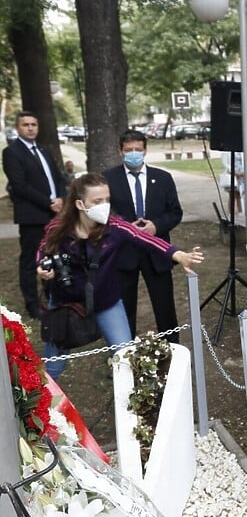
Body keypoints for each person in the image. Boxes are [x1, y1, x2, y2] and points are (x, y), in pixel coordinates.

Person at [37, 173, 202, 380]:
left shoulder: (115, 227)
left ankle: (131, 406)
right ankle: (44, 407)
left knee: (125, 357)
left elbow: (144, 238)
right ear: (80, 204)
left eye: (107, 200)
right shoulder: (58, 227)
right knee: (53, 368)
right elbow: (43, 249)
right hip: (65, 304)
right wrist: (42, 267)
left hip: (107, 302)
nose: (104, 205)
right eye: (97, 201)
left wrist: (178, 255)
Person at [103, 130, 184, 343]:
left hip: (156, 251)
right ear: (120, 151)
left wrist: (156, 226)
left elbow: (175, 212)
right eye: (128, 150)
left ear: (145, 150)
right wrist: (123, 228)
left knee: (164, 305)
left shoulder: (163, 178)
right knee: (123, 307)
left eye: (138, 150)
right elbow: (102, 214)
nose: (134, 154)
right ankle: (123, 352)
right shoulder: (108, 179)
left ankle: (173, 351)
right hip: (123, 253)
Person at [3, 111, 66, 319]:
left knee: (54, 256)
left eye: (33, 124)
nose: (30, 128)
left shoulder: (44, 150)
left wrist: (61, 199)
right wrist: (49, 203)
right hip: (33, 217)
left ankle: (54, 297)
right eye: (25, 125)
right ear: (18, 128)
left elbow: (58, 177)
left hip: (54, 214)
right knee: (31, 261)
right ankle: (33, 304)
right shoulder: (11, 152)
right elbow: (20, 185)